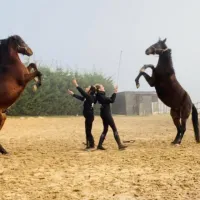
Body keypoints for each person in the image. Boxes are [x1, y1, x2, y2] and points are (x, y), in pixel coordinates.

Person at [95, 84, 127, 150]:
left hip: (104, 114)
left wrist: (114, 93)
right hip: (106, 114)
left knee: (105, 129)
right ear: (99, 89)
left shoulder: (100, 95)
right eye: (102, 87)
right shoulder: (101, 96)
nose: (103, 87)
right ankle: (120, 145)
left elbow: (109, 99)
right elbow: (111, 100)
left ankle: (99, 145)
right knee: (114, 128)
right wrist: (115, 92)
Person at [68, 79, 96, 149]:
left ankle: (91, 145)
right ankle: (89, 143)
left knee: (88, 131)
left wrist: (76, 85)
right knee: (87, 130)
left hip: (89, 116)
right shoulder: (87, 97)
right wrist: (73, 94)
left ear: (90, 90)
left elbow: (82, 93)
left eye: (88, 87)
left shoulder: (90, 97)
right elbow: (81, 98)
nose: (86, 88)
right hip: (88, 116)